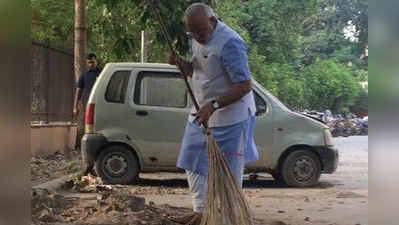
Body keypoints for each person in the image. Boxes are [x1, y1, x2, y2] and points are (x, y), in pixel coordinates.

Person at [168, 3, 259, 225]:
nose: (197, 36)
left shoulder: (231, 43)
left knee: (228, 172)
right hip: (202, 111)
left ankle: (229, 218)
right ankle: (202, 212)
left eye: (201, 31)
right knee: (192, 160)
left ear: (212, 21)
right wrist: (181, 64)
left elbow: (245, 85)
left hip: (231, 116)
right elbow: (198, 70)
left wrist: (214, 105)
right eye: (192, 32)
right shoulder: (195, 37)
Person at [73, 53, 101, 173]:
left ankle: (97, 162)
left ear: (96, 61)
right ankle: (89, 164)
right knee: (89, 131)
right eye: (89, 62)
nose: (91, 64)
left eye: (92, 62)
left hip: (101, 105)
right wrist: (75, 106)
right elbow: (78, 91)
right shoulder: (84, 75)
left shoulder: (102, 73)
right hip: (88, 106)